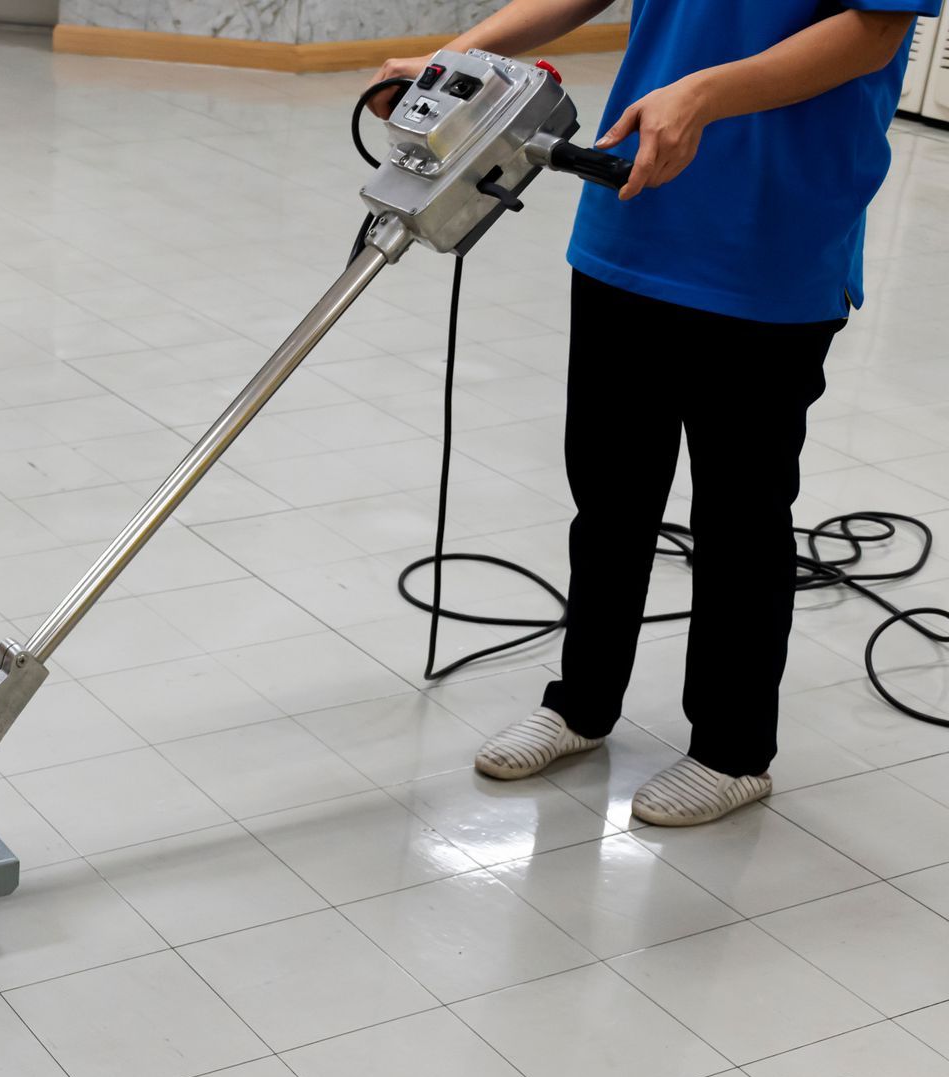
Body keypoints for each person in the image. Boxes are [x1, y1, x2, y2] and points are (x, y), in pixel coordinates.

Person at [368, 0, 939, 827]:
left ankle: (733, 750)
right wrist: (458, 60)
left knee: (741, 513)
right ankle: (581, 704)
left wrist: (704, 93)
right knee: (609, 494)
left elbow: (875, 31)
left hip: (767, 238)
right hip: (631, 212)